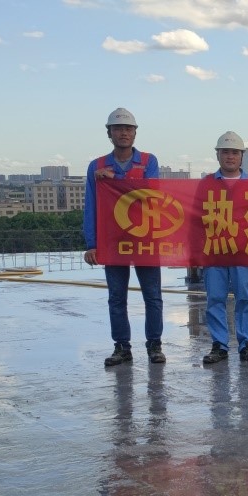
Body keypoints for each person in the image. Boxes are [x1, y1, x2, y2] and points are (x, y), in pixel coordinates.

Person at [83, 107, 166, 367]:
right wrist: (92, 244)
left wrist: (115, 180)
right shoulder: (97, 167)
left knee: (152, 295)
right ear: (109, 133)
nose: (123, 133)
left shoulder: (148, 161)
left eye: (128, 129)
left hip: (145, 239)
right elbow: (91, 206)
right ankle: (122, 347)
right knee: (117, 297)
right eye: (118, 128)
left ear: (135, 133)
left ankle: (154, 344)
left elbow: (148, 194)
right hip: (113, 241)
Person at [200, 131, 248, 364]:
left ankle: (247, 344)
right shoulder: (207, 184)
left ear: (241, 156)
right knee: (215, 299)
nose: (230, 156)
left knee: (245, 298)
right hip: (215, 252)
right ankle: (219, 344)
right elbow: (196, 218)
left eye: (234, 152)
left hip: (243, 252)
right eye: (225, 152)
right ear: (218, 155)